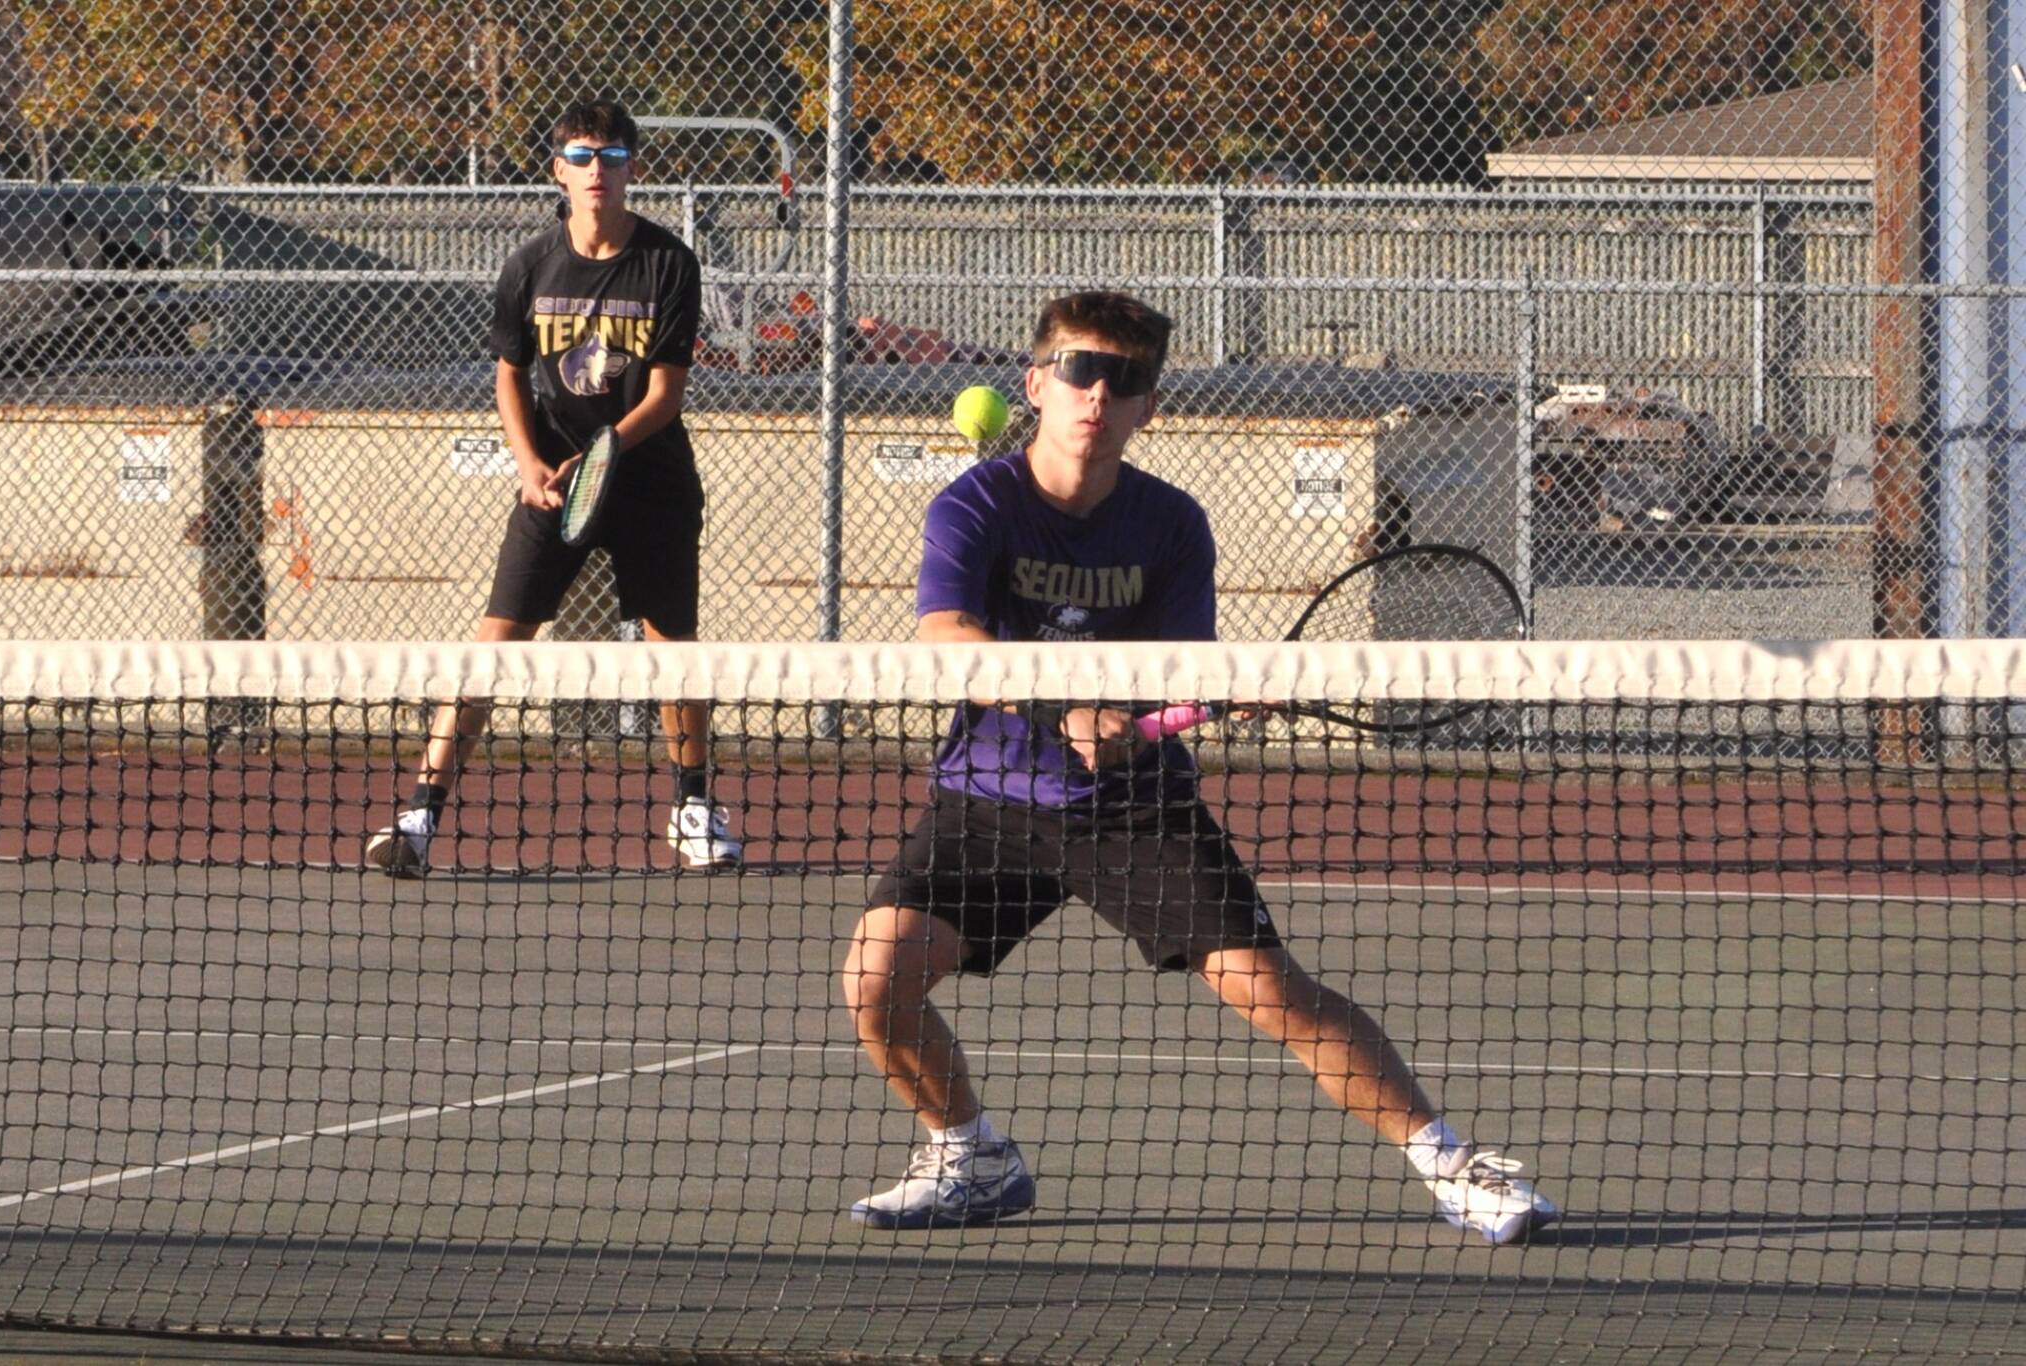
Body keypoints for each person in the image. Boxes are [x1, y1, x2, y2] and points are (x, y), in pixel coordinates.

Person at [842, 290, 1556, 1243]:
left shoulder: (1171, 523)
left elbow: (1177, 669)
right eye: (1080, 372)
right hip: (992, 797)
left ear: (1149, 408)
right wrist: (1065, 710)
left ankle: (1452, 1166)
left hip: (1134, 807)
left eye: (1124, 380)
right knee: (874, 979)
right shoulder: (975, 503)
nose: (1097, 395)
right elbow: (946, 636)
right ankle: (970, 1154)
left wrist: (1209, 690)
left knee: (1271, 993)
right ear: (1038, 385)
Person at [366, 98, 740, 876]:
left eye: (609, 156)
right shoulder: (529, 265)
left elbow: (665, 395)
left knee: (675, 653)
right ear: (557, 171)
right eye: (579, 156)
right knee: (493, 648)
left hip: (652, 485)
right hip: (549, 486)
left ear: (633, 168)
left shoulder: (670, 263)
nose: (594, 170)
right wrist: (528, 463)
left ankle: (695, 804)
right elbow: (508, 374)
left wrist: (604, 450)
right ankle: (420, 817)